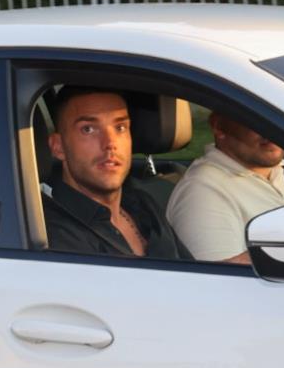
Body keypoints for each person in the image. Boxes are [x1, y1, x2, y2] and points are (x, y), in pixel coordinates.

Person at [43, 86, 192, 260]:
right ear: (58, 147)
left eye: (120, 127)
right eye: (88, 129)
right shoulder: (55, 235)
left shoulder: (142, 204)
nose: (110, 143)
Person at [166, 112, 284, 265]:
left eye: (279, 119)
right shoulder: (202, 191)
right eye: (257, 121)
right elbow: (219, 280)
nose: (273, 132)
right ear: (219, 127)